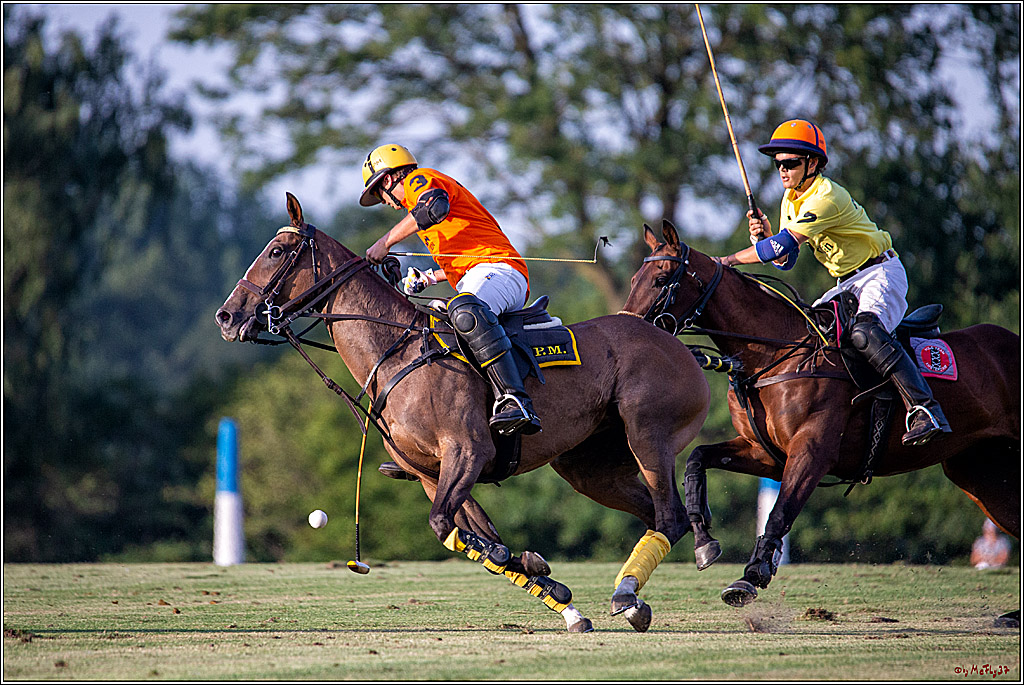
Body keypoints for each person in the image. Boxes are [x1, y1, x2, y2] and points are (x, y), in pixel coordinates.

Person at [715, 119, 951, 446]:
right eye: (778, 164)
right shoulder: (790, 199)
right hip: (845, 281)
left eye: (790, 163)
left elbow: (780, 249)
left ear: (812, 163)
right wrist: (766, 234)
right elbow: (786, 259)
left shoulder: (825, 196)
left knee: (864, 331)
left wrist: (726, 261)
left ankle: (925, 408)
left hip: (879, 272)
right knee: (807, 333)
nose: (782, 171)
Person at [360, 143, 542, 436]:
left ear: (390, 179)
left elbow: (434, 207)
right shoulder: (416, 212)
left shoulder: (419, 180)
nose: (384, 201)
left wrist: (385, 242)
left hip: (503, 271)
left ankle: (515, 400)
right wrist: (430, 278)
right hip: (480, 276)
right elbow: (463, 257)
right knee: (432, 324)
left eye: (379, 192)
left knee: (466, 312)